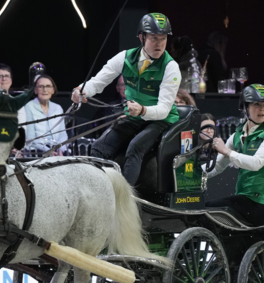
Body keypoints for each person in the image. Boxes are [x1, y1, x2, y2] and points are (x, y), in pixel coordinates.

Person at [72, 13, 182, 186]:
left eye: (163, 38)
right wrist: (81, 90)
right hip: (134, 116)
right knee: (98, 148)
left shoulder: (171, 67)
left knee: (135, 148)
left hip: (161, 120)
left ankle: (125, 201)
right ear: (141, 37)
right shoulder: (124, 57)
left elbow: (164, 109)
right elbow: (98, 82)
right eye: (154, 38)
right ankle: (97, 191)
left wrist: (143, 110)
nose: (159, 44)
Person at [206, 84, 264, 226]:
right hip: (244, 199)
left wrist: (226, 151)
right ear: (244, 107)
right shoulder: (238, 134)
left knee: (207, 210)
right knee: (201, 210)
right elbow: (217, 166)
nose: (262, 109)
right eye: (256, 104)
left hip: (262, 205)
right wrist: (193, 175)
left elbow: (256, 163)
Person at [18, 74, 66, 154]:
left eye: (48, 86)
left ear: (53, 90)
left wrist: (60, 150)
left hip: (57, 150)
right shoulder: (29, 107)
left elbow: (63, 135)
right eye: (41, 86)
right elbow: (31, 138)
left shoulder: (58, 108)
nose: (44, 89)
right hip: (37, 151)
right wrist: (48, 151)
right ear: (35, 90)